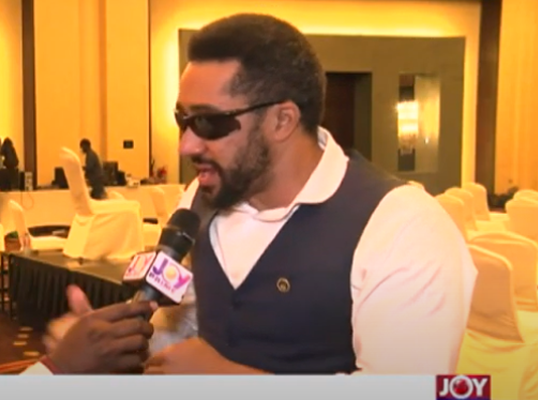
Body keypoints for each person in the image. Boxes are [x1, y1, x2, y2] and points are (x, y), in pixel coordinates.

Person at [24, 13, 477, 375]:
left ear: (282, 120)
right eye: (182, 120)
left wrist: (229, 381)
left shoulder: (404, 228)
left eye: (209, 122)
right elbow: (193, 322)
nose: (185, 145)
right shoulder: (198, 199)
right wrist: (121, 343)